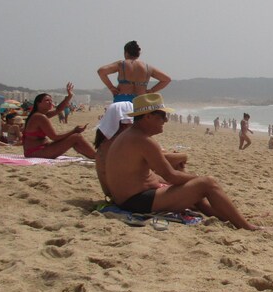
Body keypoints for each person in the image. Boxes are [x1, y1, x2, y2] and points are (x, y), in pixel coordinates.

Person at [106, 93, 259, 230]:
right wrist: (200, 178)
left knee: (193, 186)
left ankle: (228, 216)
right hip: (136, 201)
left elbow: (158, 166)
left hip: (129, 198)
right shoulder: (142, 140)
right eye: (162, 116)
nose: (166, 120)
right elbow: (171, 176)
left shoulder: (131, 136)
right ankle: (246, 226)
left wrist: (184, 170)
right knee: (207, 183)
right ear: (147, 117)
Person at [94, 101, 188, 200]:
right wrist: (183, 156)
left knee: (182, 178)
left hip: (124, 192)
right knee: (190, 185)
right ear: (124, 123)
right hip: (126, 195)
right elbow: (160, 160)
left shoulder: (111, 141)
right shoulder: (123, 141)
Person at [22, 84, 96, 159]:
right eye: (47, 100)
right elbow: (54, 137)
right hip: (36, 152)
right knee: (76, 137)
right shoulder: (40, 117)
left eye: (51, 100)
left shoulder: (39, 115)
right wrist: (74, 130)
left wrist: (69, 96)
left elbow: (58, 110)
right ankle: (96, 156)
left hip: (37, 149)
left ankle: (93, 156)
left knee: (75, 138)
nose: (50, 102)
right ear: (38, 103)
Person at [97, 40, 171, 103]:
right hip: (141, 100)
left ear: (126, 53)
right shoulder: (148, 67)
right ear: (138, 54)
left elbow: (101, 71)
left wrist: (111, 87)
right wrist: (152, 90)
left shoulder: (122, 64)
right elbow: (166, 79)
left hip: (123, 99)